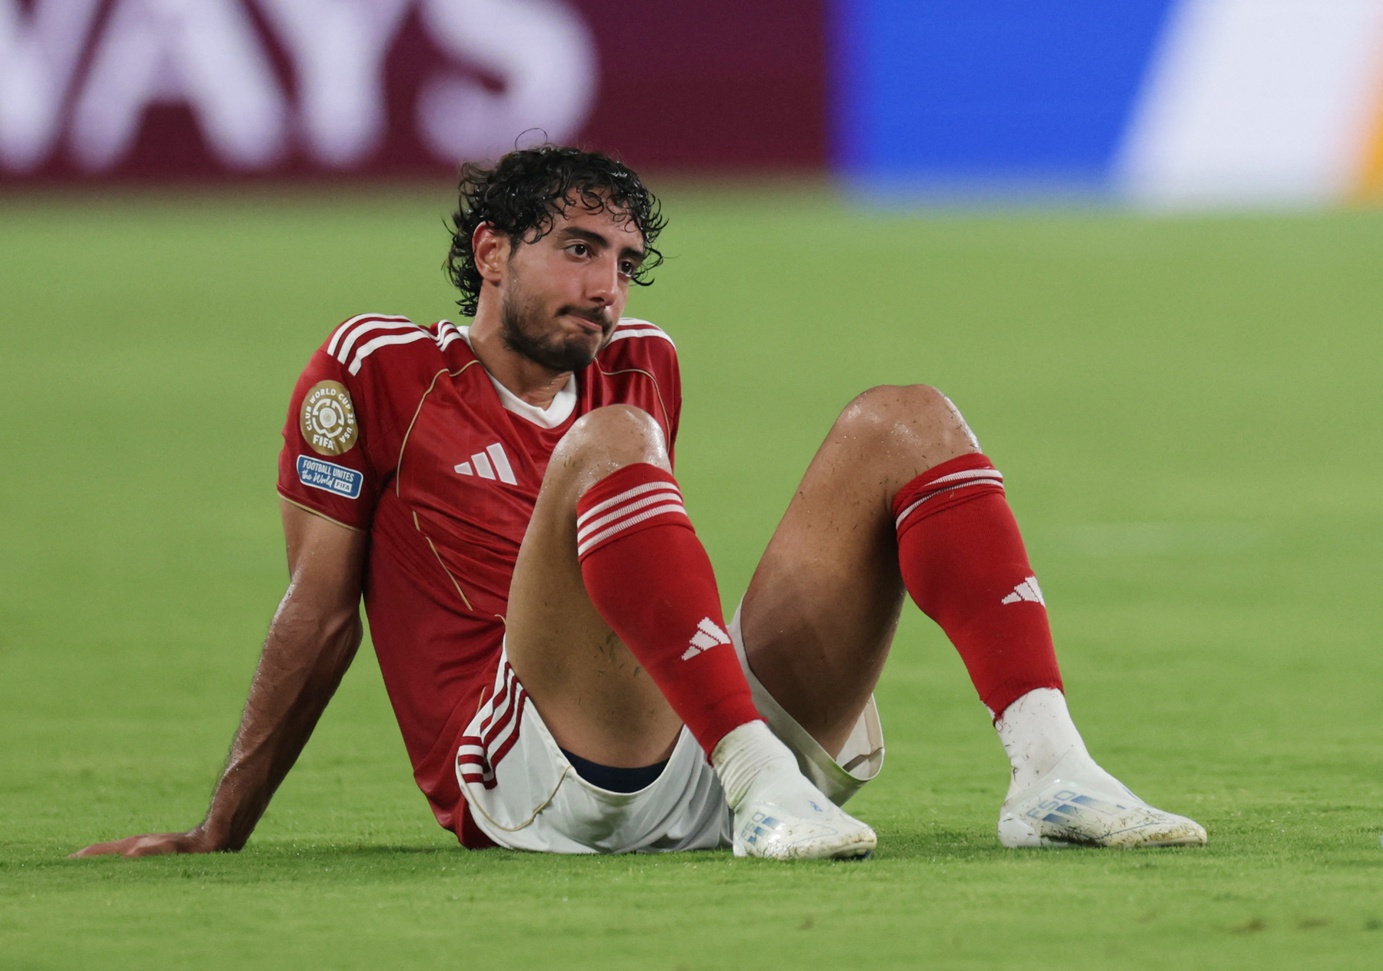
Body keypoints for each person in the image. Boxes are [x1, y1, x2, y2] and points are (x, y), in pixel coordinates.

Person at [74, 146, 1205, 862]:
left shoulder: (644, 356)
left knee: (905, 416)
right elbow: (319, 611)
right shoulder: (372, 370)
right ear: (490, 252)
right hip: (528, 773)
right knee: (611, 438)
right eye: (577, 250)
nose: (607, 285)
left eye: (621, 258)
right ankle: (764, 784)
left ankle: (1051, 772)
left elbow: (643, 573)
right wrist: (222, 827)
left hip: (687, 740)